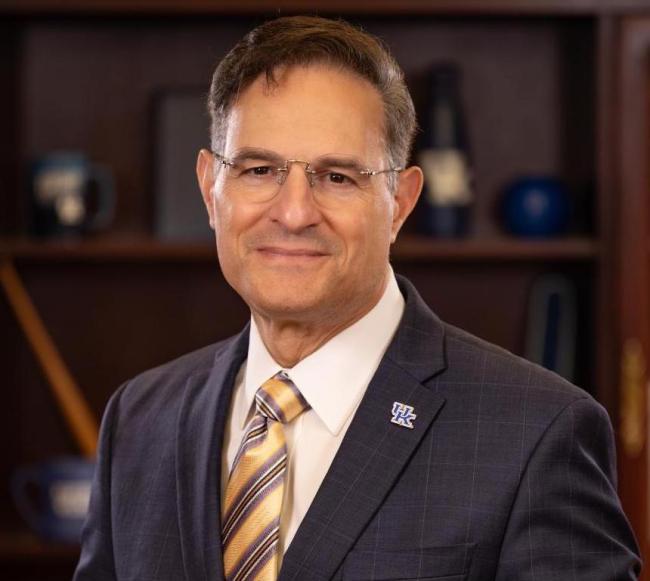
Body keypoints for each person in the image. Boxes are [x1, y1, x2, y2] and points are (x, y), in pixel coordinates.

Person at [74, 15, 641, 581]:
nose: (294, 213)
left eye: (338, 177)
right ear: (210, 188)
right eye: (259, 169)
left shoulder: (537, 432)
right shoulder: (140, 418)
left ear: (400, 200)